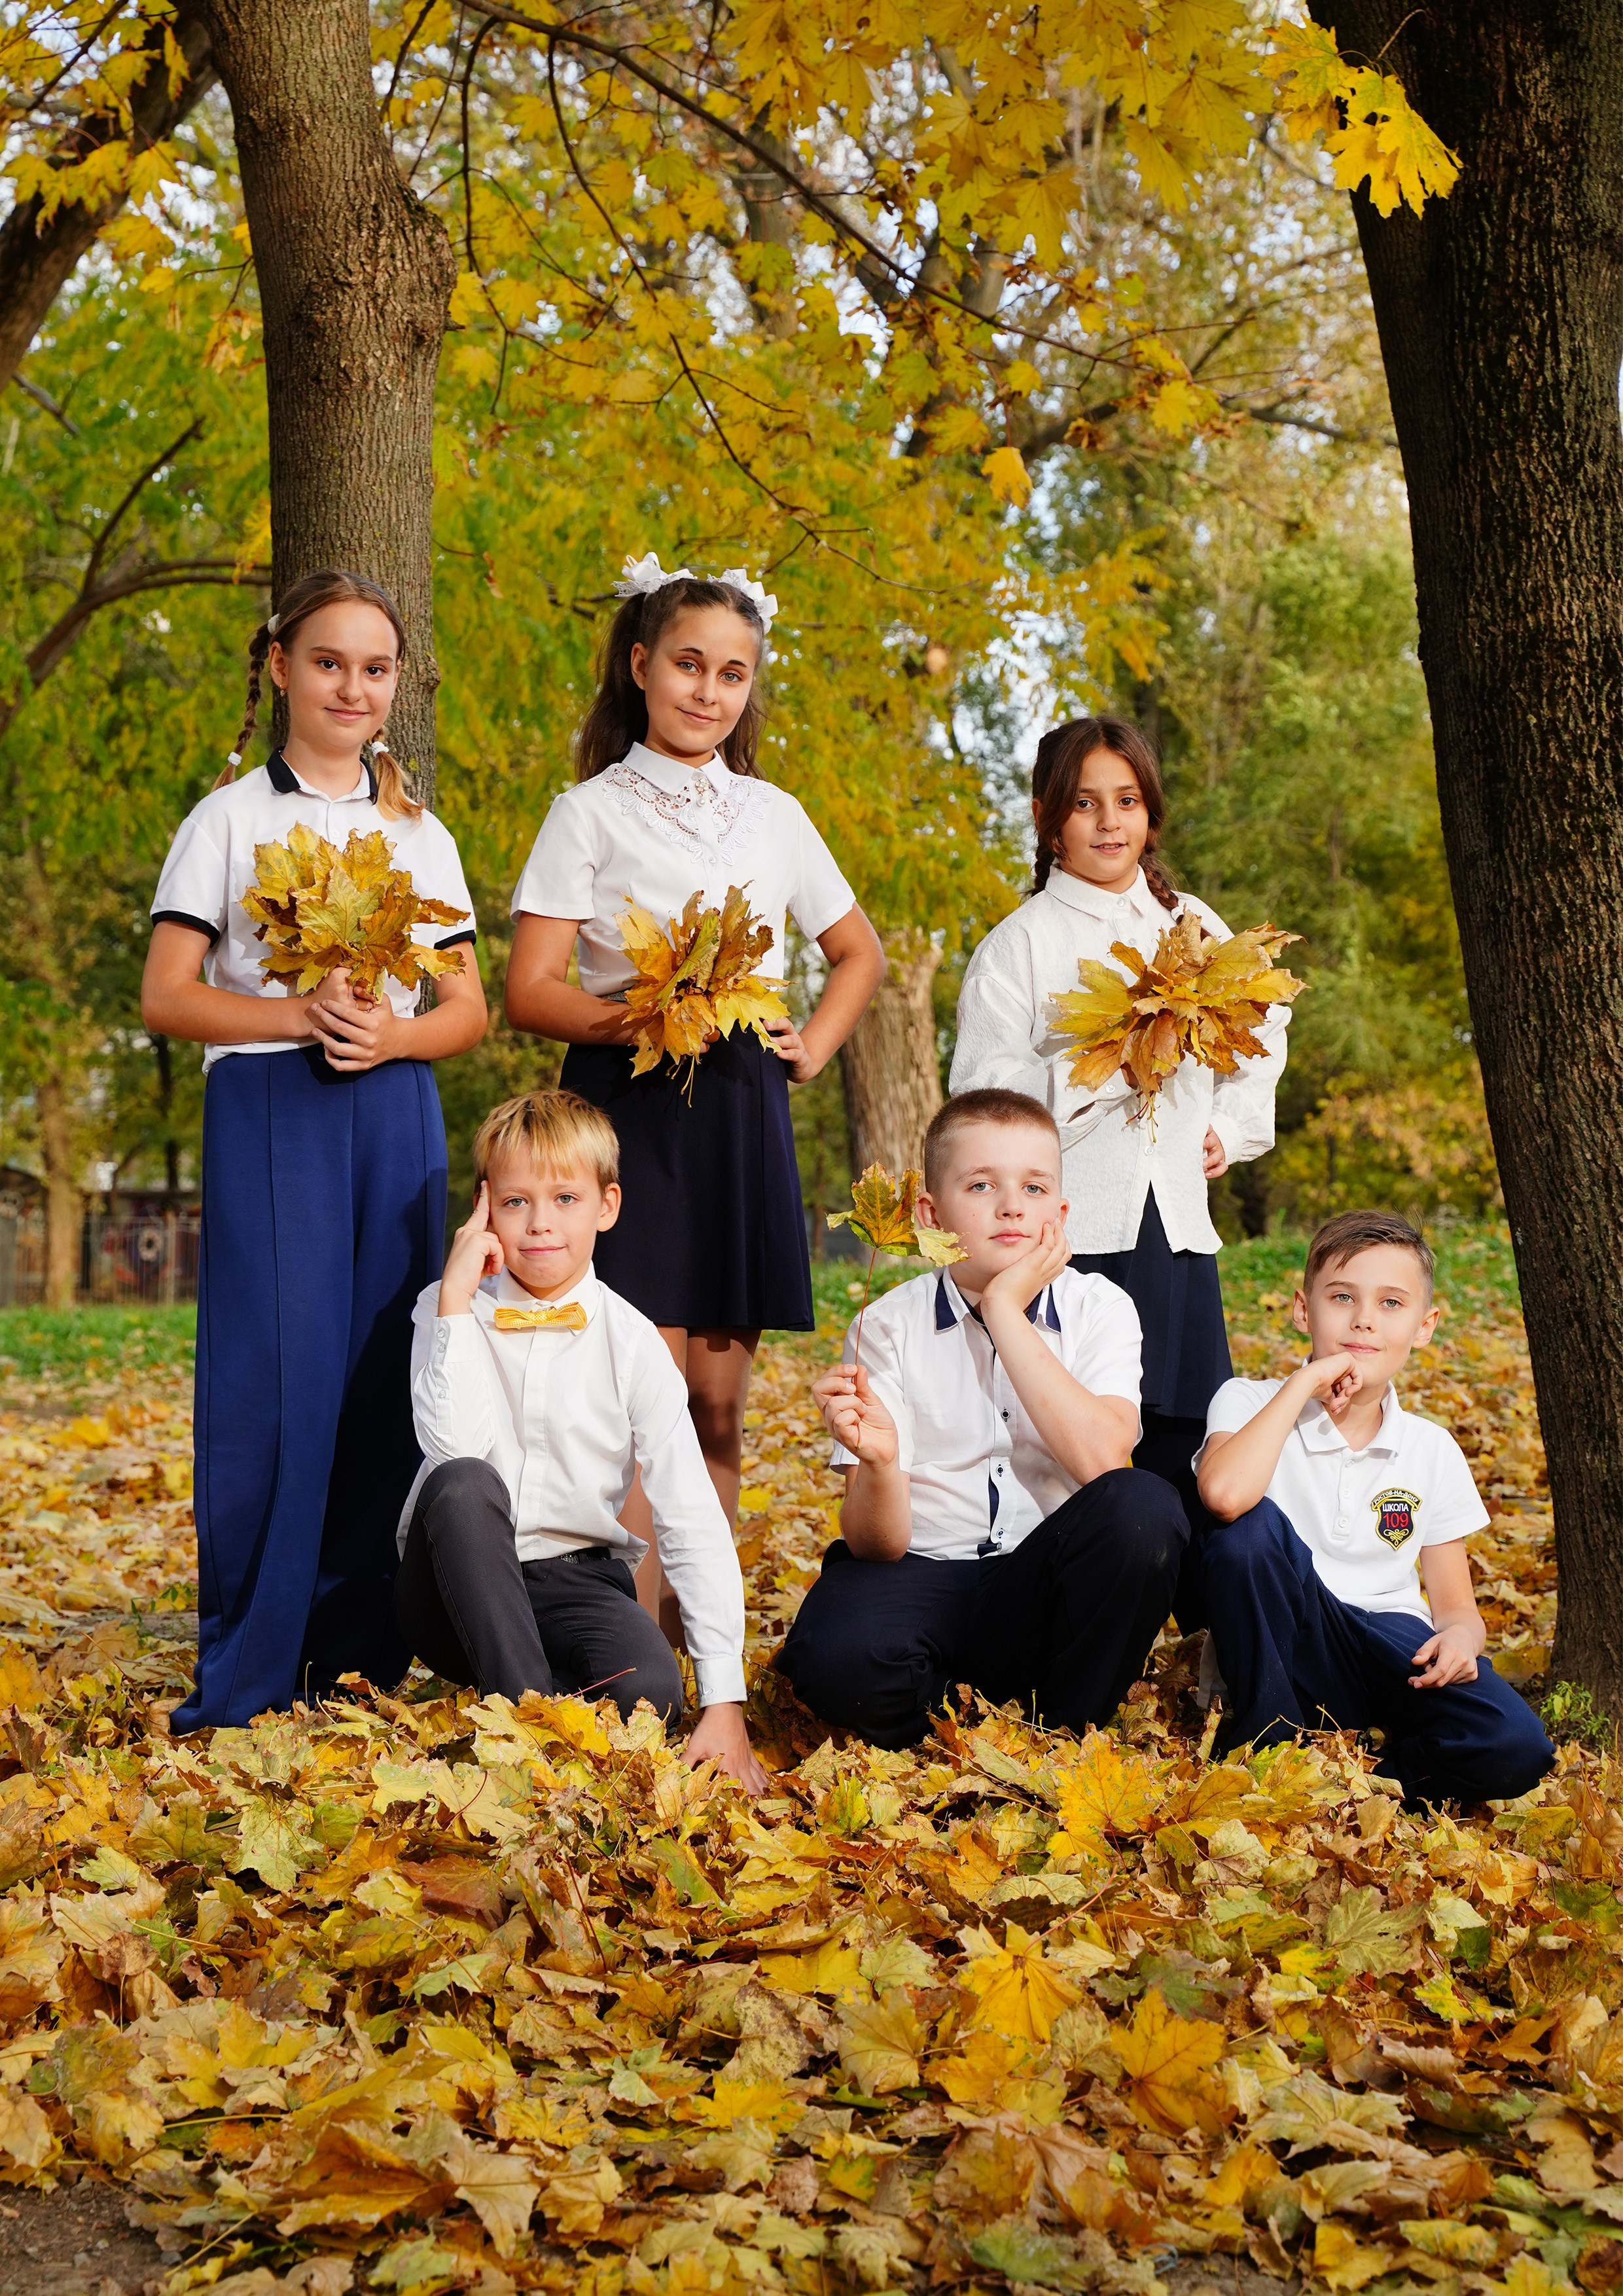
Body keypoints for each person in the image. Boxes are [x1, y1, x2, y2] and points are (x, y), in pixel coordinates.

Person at [503, 553, 885, 1626]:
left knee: (717, 1411)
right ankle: (624, 1662)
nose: (707, 690)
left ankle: (698, 1650)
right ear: (640, 664)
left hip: (739, 1117)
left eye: (731, 673)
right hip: (627, 1117)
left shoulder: (774, 814)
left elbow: (859, 952)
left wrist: (809, 1042)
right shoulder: (585, 813)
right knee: (647, 1407)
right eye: (686, 664)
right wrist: (646, 1011)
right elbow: (529, 991)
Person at [141, 569, 487, 1731]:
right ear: (281, 666)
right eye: (329, 661)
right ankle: (248, 1656)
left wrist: (391, 1032)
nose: (352, 684)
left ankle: (354, 1654)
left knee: (380, 1376)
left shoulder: (418, 834)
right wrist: (300, 1015)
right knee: (273, 1383)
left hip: (391, 1109)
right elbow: (167, 996)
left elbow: (468, 1011)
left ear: (398, 686)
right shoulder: (228, 818)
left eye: (375, 667)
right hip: (271, 1107)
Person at [950, 715, 1290, 1571]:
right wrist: (1102, 1073)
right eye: (1085, 804)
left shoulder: (1194, 925)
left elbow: (1265, 1020)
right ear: (1046, 818)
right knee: (1087, 1430)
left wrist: (1232, 1126)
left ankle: (1194, 1619)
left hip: (1175, 1227)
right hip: (1073, 1237)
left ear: (1151, 812)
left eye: (1128, 801)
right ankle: (1087, 1602)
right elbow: (980, 1099)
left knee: (1186, 1425)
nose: (1110, 823)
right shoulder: (1021, 946)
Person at [777, 1088, 1188, 1748]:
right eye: (980, 1185)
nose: (1009, 1206)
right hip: (922, 1567)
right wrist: (880, 1463)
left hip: (1044, 1579)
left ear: (1059, 1212)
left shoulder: (1099, 1309)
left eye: (1032, 1187)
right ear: (930, 1213)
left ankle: (1062, 1725)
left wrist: (1003, 1309)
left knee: (1144, 1508)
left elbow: (1103, 1463)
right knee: (835, 1665)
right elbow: (873, 1543)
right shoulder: (885, 1325)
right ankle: (959, 1716)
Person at [396, 1088, 766, 1791]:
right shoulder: (443, 1308)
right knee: (464, 1480)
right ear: (484, 1208)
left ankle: (520, 1694)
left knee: (651, 1693)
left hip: (577, 1577)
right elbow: (451, 1450)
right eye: (515, 1202)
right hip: (454, 1577)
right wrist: (453, 1302)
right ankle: (532, 1742)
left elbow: (689, 1513)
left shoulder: (632, 1340)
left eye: (565, 1199)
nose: (539, 1224)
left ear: (607, 1206)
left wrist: (724, 1701)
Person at [1196, 1209, 1553, 1806]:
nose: (1363, 1320)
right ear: (1303, 1310)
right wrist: (1300, 1389)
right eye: (1342, 1297)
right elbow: (1225, 1496)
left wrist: (1462, 1641)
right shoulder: (1249, 1401)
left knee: (1517, 1745)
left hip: (1392, 1646)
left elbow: (1457, 1609)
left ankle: (1367, 1786)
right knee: (1247, 1532)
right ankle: (1269, 1746)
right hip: (1290, 1636)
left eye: (1391, 1303)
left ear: (1424, 1325)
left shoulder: (1431, 1449)